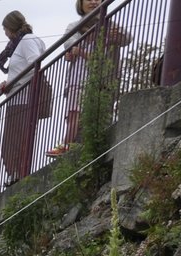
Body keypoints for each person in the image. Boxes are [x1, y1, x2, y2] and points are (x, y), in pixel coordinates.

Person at [50, 0, 131, 157]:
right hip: (78, 78)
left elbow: (128, 38)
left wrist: (117, 36)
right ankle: (66, 146)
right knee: (75, 115)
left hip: (103, 82)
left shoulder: (110, 24)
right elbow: (69, 43)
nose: (93, 2)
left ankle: (83, 151)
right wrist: (78, 50)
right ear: (80, 4)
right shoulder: (74, 26)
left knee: (97, 118)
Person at [0, 10, 48, 184]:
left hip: (22, 98)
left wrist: (13, 83)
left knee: (12, 144)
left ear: (11, 28)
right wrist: (8, 82)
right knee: (13, 144)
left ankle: (18, 175)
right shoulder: (23, 42)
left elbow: (36, 64)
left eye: (5, 29)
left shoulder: (27, 41)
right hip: (17, 97)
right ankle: (16, 174)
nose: (5, 34)